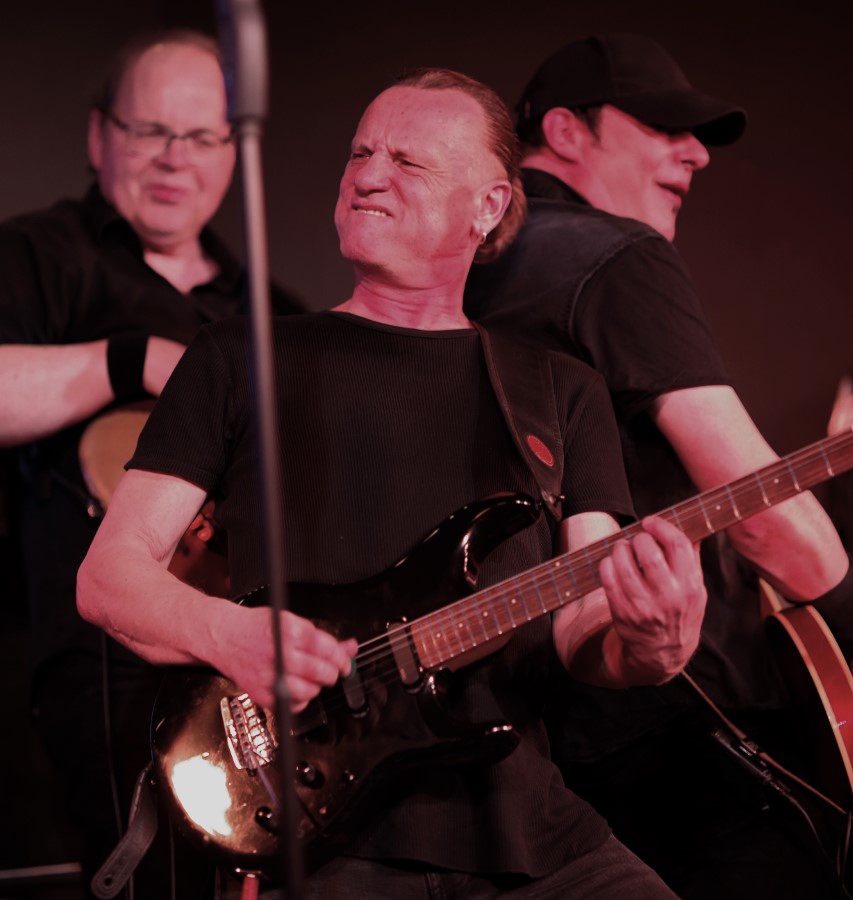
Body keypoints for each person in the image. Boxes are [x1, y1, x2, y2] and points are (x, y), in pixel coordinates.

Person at [78, 67, 709, 899]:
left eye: (407, 162)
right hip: (319, 829)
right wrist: (229, 635)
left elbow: (582, 627)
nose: (367, 176)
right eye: (359, 153)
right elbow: (109, 577)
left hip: (528, 832)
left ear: (488, 205)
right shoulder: (239, 357)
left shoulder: (559, 391)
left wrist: (651, 645)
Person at [464, 33, 850, 899]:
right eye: (663, 127)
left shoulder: (455, 269)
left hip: (505, 738)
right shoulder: (612, 256)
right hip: (670, 720)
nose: (696, 154)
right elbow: (765, 520)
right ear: (564, 130)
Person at [0, 28, 299, 898]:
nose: (176, 158)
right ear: (100, 135)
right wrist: (132, 360)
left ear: (233, 152)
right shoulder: (36, 255)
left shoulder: (272, 312)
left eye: (202, 136)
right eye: (150, 131)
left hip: (247, 660)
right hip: (102, 659)